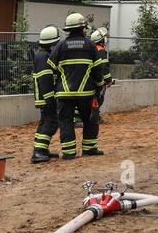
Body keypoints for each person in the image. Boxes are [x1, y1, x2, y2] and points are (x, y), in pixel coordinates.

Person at [48, 13, 108, 159]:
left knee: (66, 122)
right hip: (86, 93)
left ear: (68, 29)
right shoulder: (90, 46)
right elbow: (97, 71)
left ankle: (69, 153)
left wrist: (56, 86)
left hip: (64, 94)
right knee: (90, 120)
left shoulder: (60, 46)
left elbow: (51, 67)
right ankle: (89, 149)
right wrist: (99, 86)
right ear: (82, 28)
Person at [30, 25, 62, 164]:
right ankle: (39, 152)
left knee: (44, 122)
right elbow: (45, 80)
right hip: (46, 97)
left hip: (43, 97)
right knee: (52, 122)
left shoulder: (42, 55)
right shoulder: (44, 57)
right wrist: (50, 99)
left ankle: (41, 149)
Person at [87, 26, 114, 142]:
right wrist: (108, 80)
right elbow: (104, 68)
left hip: (88, 80)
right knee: (98, 99)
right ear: (101, 40)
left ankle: (93, 116)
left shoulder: (91, 49)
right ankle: (95, 117)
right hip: (98, 80)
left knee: (92, 99)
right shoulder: (101, 51)